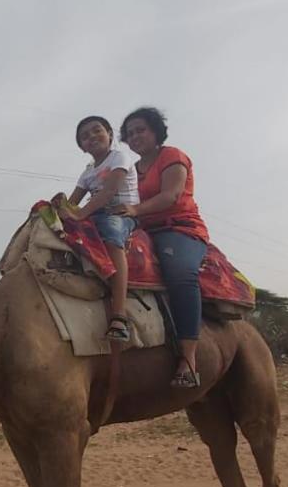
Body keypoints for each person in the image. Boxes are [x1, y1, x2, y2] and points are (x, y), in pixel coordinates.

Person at [115, 107, 210, 387]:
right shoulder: (131, 170)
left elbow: (172, 195)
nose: (135, 136)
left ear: (156, 131)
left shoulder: (172, 156)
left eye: (141, 130)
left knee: (180, 273)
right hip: (141, 230)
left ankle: (188, 359)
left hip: (178, 228)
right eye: (130, 133)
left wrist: (134, 209)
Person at [66, 114, 139, 342]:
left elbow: (109, 191)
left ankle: (119, 315)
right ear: (82, 147)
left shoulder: (119, 157)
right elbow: (72, 202)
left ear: (109, 133)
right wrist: (56, 209)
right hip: (94, 214)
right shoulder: (87, 172)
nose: (92, 137)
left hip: (120, 213)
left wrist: (79, 214)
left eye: (97, 130)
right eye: (85, 136)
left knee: (111, 236)